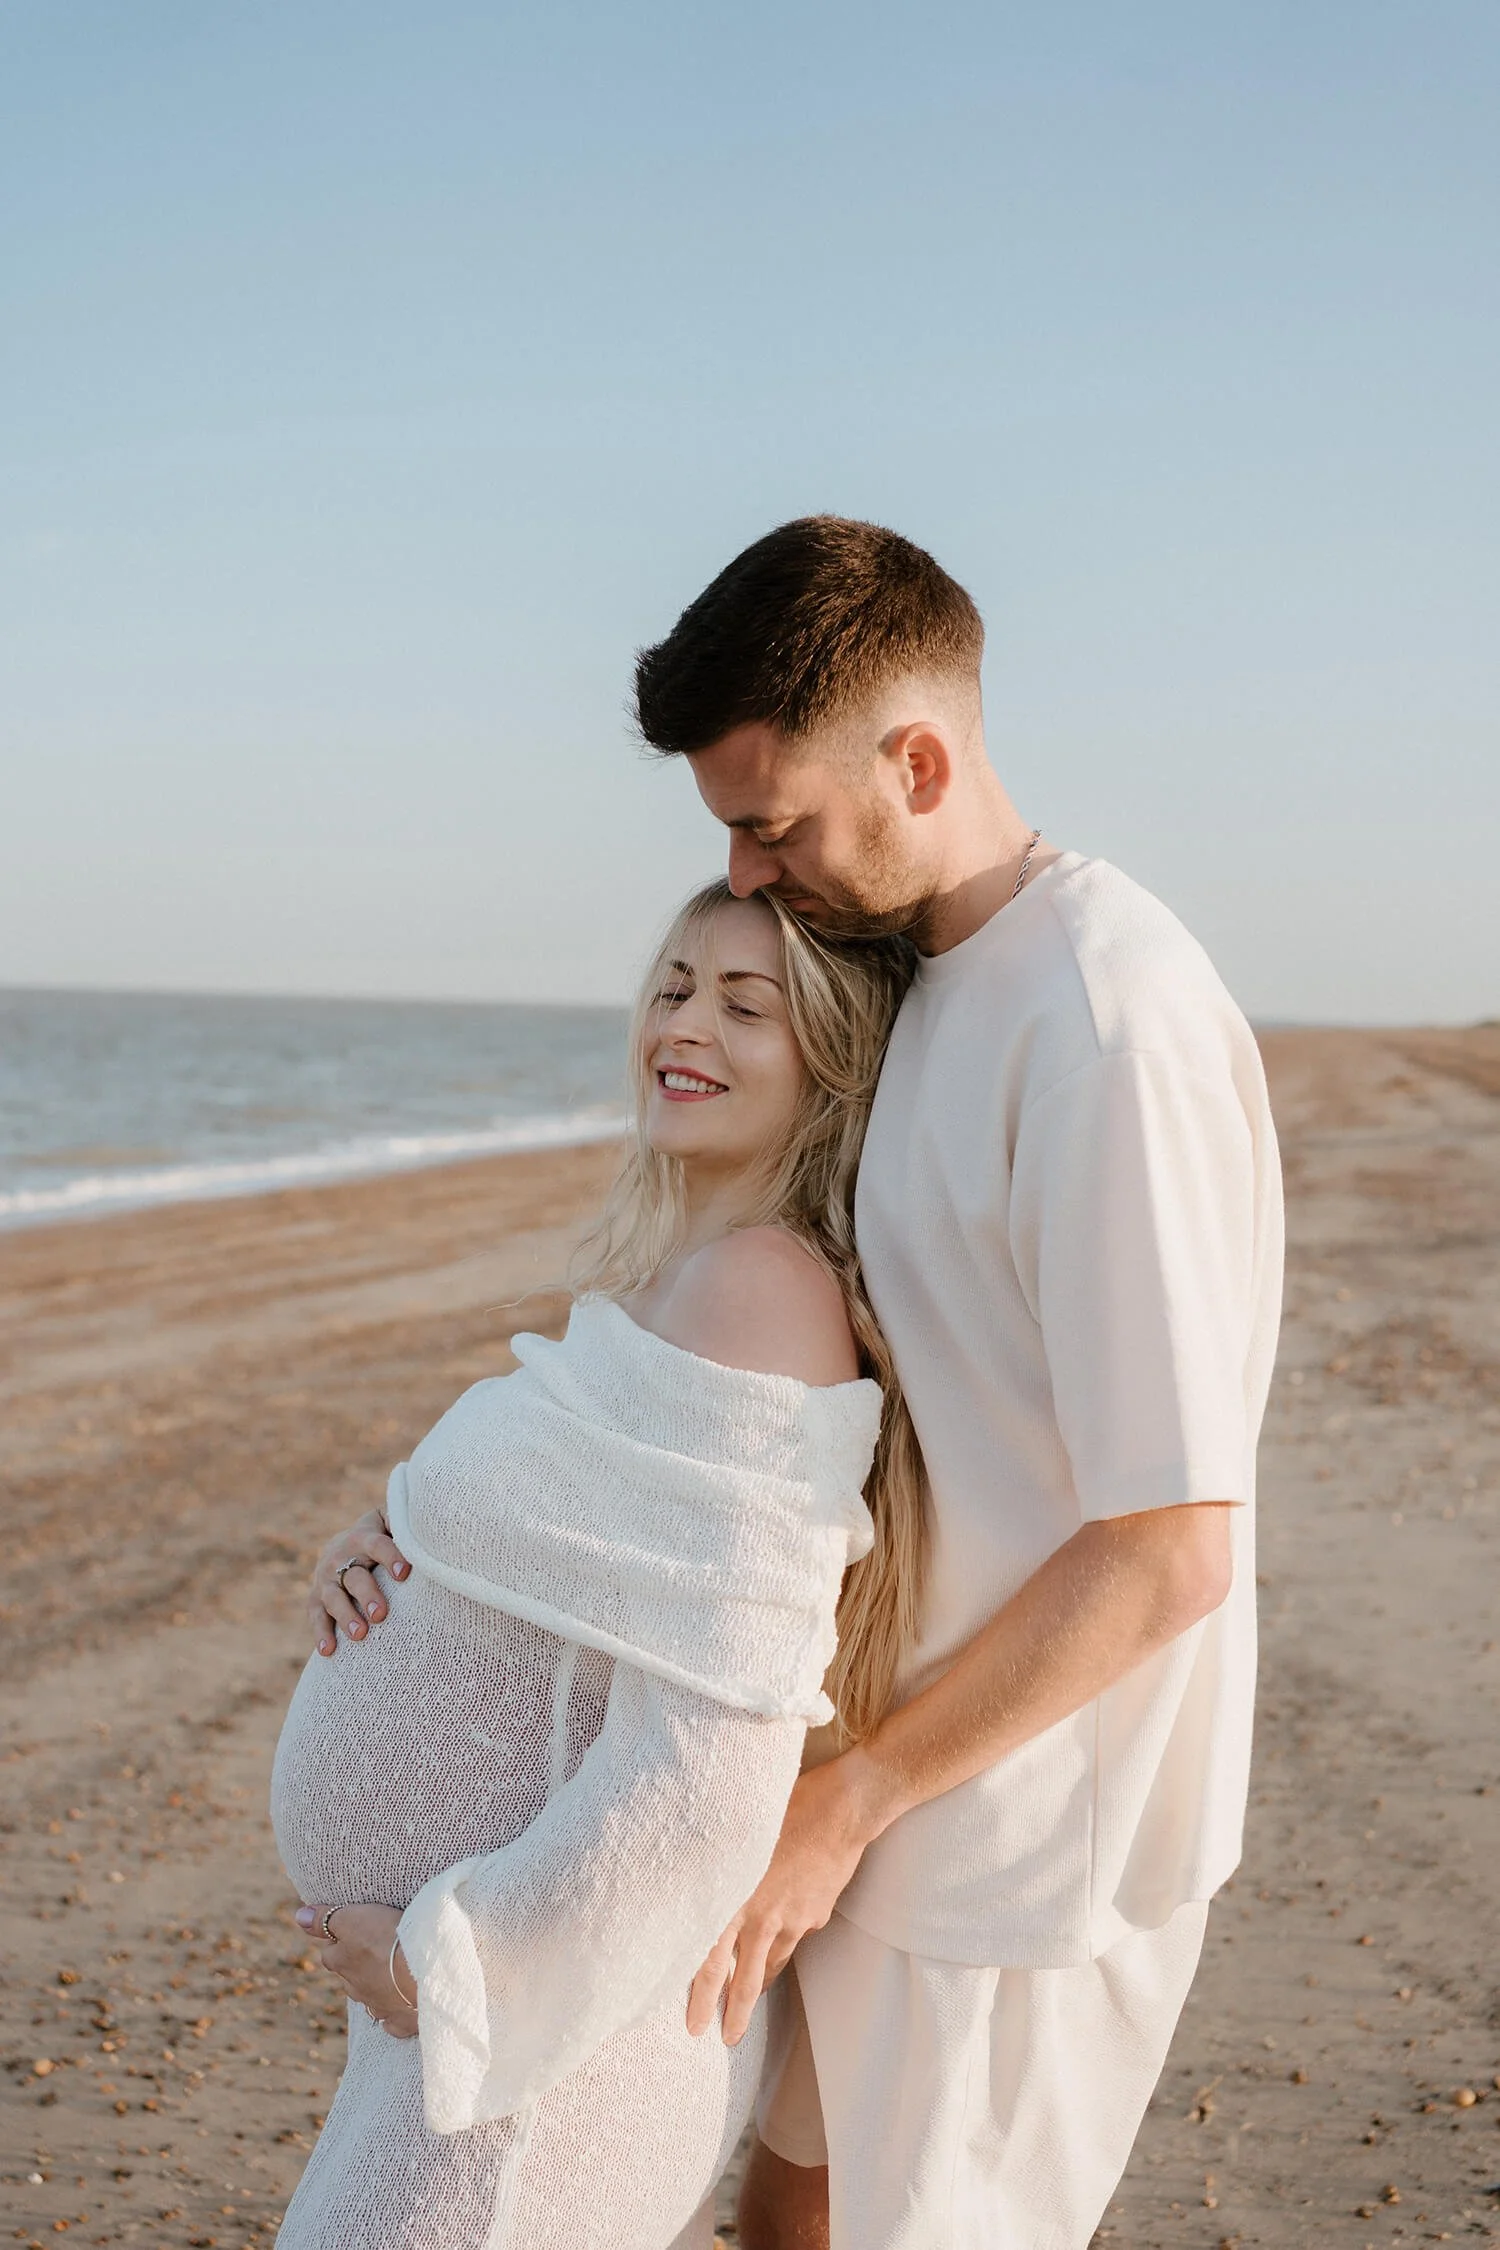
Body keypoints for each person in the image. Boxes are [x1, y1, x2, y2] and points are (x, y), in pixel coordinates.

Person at [313, 515, 1284, 2250]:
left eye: (772, 824)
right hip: (865, 1811)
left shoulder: (1106, 1026)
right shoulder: (930, 979)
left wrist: (847, 1804)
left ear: (919, 759)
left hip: (1013, 1850)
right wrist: (424, 1535)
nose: (751, 877)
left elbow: (1171, 1545)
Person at [270, 878, 922, 2250]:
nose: (685, 1024)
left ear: (832, 1062)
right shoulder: (690, 1276)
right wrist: (396, 1541)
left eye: (749, 1005)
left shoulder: (766, 1290)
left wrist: (455, 1970)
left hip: (532, 2077)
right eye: (675, 986)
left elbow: (706, 1771)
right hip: (484, 2072)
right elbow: (582, 1569)